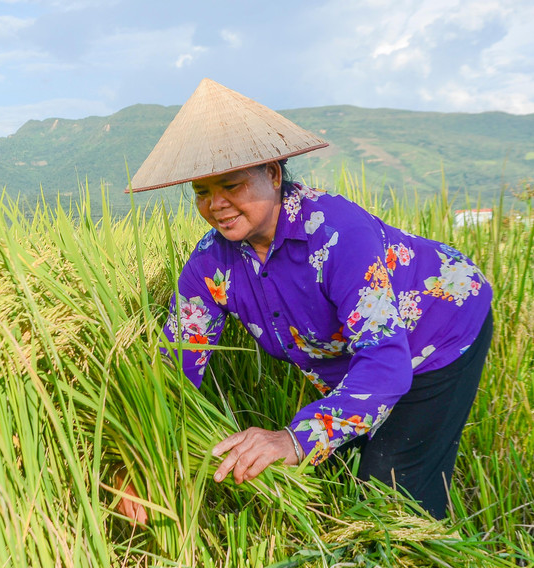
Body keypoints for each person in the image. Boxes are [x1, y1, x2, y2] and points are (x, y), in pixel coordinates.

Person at [120, 78, 493, 521]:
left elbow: (386, 365)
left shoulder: (337, 236)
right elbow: (178, 363)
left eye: (231, 185)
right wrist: (143, 457)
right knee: (338, 470)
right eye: (202, 192)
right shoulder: (210, 265)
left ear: (273, 175)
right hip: (355, 358)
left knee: (390, 489)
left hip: (437, 330)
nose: (215, 205)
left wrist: (292, 439)